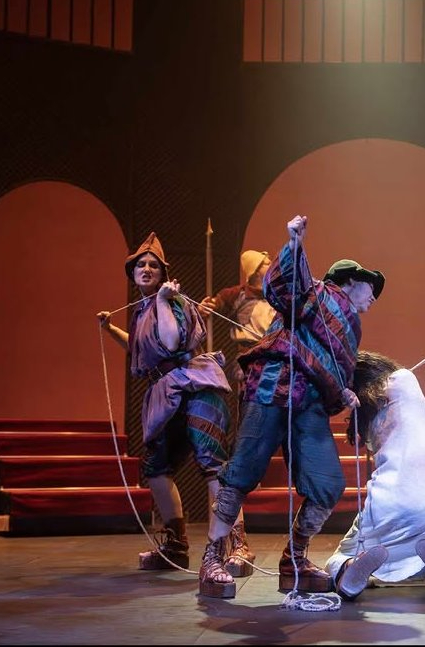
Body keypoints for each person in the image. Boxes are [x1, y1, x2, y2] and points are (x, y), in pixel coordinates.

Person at [197, 214, 385, 599]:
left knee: (328, 483)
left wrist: (344, 392)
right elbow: (283, 288)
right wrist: (295, 244)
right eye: (370, 286)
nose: (374, 296)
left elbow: (331, 365)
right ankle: (212, 557)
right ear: (349, 281)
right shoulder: (315, 292)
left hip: (310, 404)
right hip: (274, 388)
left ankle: (293, 559)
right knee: (242, 472)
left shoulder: (350, 323)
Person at [96, 232, 254, 577]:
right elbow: (141, 350)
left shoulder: (173, 301)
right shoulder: (142, 310)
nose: (146, 268)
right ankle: (175, 545)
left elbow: (169, 343)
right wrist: (110, 330)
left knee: (212, 464)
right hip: (165, 393)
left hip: (196, 385)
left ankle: (235, 543)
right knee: (156, 468)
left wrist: (165, 301)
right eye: (141, 264)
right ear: (132, 272)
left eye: (153, 265)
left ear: (163, 273)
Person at [323, 351, 425, 603]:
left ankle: (348, 567)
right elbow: (423, 417)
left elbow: (422, 418)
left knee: (340, 556)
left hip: (390, 503)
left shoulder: (367, 421)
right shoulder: (403, 378)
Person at [198, 250, 275, 392]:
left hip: (274, 354)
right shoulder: (239, 295)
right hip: (250, 356)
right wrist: (208, 306)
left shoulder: (276, 295)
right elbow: (216, 303)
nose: (272, 265)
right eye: (267, 263)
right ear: (256, 270)